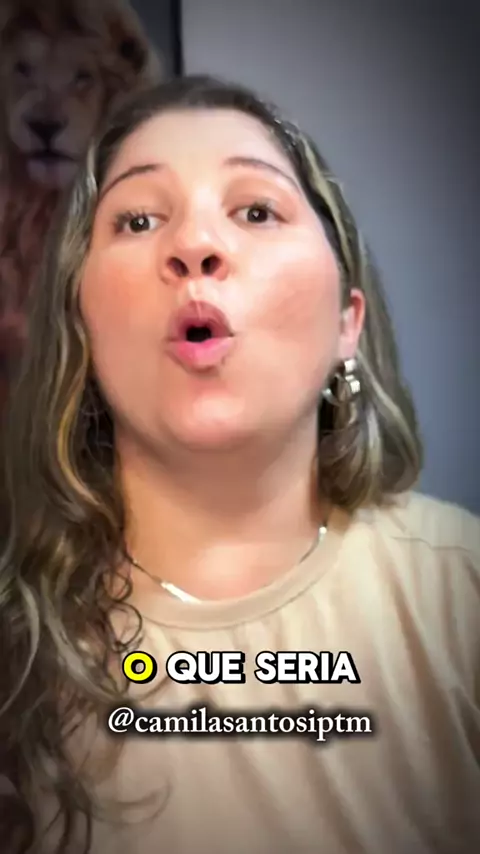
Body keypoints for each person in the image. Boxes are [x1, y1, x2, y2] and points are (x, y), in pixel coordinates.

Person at [0, 74, 478, 854]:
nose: (194, 245)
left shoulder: (462, 594)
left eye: (256, 210)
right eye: (138, 219)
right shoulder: (16, 652)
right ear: (79, 317)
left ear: (347, 322)